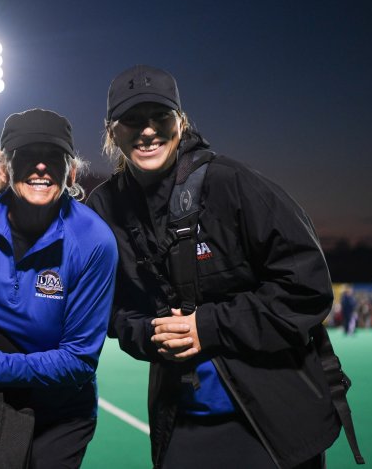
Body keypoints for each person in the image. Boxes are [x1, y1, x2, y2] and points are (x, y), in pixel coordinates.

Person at [87, 65, 357, 468]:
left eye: (159, 116)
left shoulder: (232, 184)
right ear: (112, 131)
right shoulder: (104, 208)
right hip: (182, 419)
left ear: (180, 121)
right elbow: (107, 307)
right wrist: (146, 332)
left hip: (274, 420)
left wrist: (208, 326)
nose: (147, 130)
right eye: (132, 120)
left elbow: (308, 288)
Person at [0, 109, 118, 468]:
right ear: (5, 168)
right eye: (28, 155)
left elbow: (78, 362)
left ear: (71, 171)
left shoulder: (94, 241)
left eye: (53, 157)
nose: (41, 167)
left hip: (59, 411)